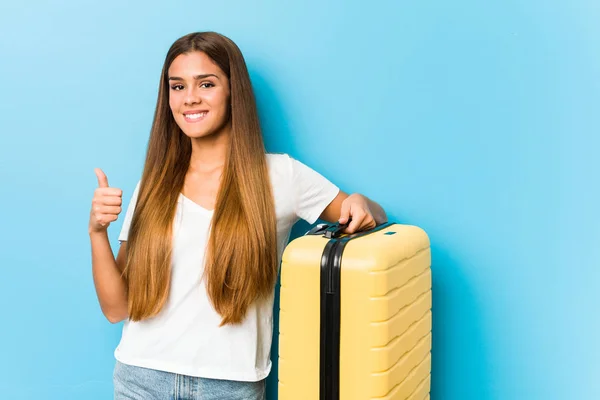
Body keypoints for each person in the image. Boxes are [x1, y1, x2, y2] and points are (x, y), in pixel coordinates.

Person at [89, 31, 387, 400]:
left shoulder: (281, 177)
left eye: (207, 84)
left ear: (233, 91)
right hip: (140, 380)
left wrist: (361, 201)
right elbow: (117, 308)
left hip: (230, 386)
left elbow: (370, 214)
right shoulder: (153, 184)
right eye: (177, 86)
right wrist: (98, 232)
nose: (190, 98)